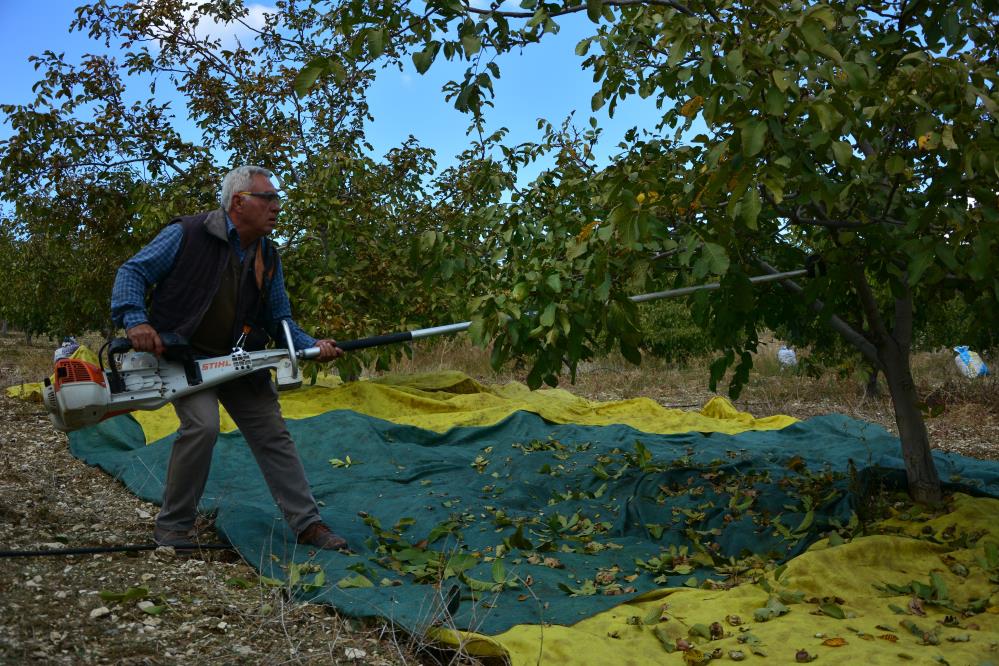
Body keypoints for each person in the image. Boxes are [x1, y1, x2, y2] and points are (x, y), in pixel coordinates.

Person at [110, 165, 349, 551]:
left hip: (239, 360)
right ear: (239, 202)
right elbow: (132, 272)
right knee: (202, 426)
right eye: (268, 198)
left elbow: (278, 318)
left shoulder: (267, 255)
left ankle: (308, 525)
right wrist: (135, 320)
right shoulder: (187, 234)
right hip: (185, 357)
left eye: (276, 199)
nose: (277, 206)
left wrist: (311, 345)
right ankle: (173, 528)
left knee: (273, 433)